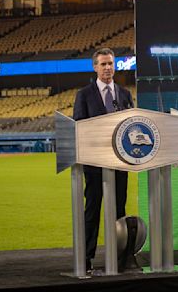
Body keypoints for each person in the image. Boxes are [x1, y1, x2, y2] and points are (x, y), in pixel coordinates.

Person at [73, 47, 134, 272]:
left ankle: (119, 257)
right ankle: (86, 258)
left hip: (119, 165)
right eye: (103, 64)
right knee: (92, 211)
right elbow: (79, 127)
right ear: (95, 67)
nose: (108, 68)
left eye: (110, 63)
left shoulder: (125, 94)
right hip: (95, 166)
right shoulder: (84, 95)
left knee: (119, 211)